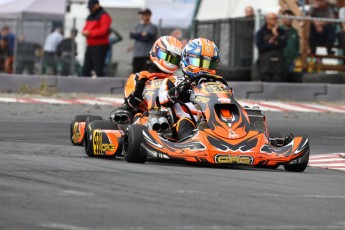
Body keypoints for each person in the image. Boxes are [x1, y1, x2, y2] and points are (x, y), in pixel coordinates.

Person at [159, 38, 230, 140]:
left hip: (213, 121)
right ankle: (192, 141)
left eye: (209, 65)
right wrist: (177, 91)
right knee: (185, 123)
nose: (204, 69)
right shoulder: (174, 81)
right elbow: (162, 100)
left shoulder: (218, 84)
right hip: (183, 123)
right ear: (186, 60)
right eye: (199, 63)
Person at [121, 35, 183, 119]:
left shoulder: (177, 81)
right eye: (166, 57)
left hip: (172, 118)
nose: (169, 62)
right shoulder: (138, 77)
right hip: (144, 117)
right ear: (156, 51)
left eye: (173, 59)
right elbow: (129, 104)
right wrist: (138, 91)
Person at [82, 0, 112, 77]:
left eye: (91, 7)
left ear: (97, 5)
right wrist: (84, 32)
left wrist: (90, 33)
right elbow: (85, 28)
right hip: (90, 45)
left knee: (98, 69)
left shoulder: (104, 16)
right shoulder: (90, 16)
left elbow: (103, 31)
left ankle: (101, 87)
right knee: (86, 69)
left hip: (100, 46)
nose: (90, 9)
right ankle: (84, 86)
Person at [256, 13, 286, 82]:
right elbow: (260, 47)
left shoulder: (281, 31)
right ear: (267, 20)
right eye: (273, 19)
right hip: (265, 64)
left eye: (276, 19)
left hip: (278, 64)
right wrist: (275, 45)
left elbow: (283, 44)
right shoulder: (261, 32)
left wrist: (276, 35)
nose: (275, 21)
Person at [130, 8, 158, 73]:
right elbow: (131, 35)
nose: (142, 16)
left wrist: (137, 35)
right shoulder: (138, 25)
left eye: (144, 14)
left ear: (149, 15)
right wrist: (141, 34)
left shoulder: (152, 27)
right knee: (135, 74)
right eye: (142, 14)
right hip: (137, 55)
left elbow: (146, 38)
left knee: (145, 73)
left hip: (146, 55)